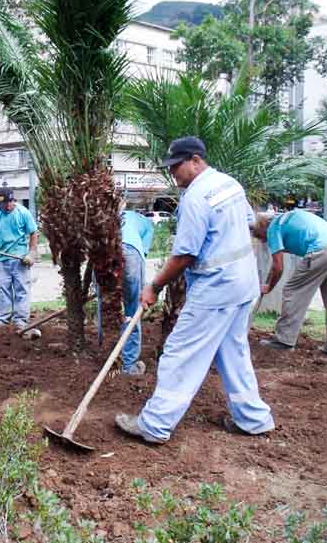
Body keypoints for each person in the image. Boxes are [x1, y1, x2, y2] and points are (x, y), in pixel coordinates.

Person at [115, 136, 274, 444]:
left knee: (179, 352)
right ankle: (253, 419)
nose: (173, 173)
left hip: (216, 288)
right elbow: (249, 225)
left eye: (176, 166)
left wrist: (155, 286)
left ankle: (155, 425)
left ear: (196, 160)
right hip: (244, 283)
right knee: (234, 351)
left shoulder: (196, 197)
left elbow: (185, 255)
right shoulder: (230, 185)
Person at [251, 209, 327, 355]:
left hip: (323, 248)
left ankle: (283, 340)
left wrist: (268, 287)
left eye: (262, 238)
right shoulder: (288, 218)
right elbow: (278, 262)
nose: (265, 241)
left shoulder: (273, 228)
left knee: (292, 291)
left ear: (263, 228)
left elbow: (278, 267)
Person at [0, 188, 39, 338]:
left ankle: (21, 322)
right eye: (0, 205)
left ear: (11, 201)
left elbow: (33, 233)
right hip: (1, 259)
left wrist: (31, 253)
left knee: (22, 290)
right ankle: (2, 323)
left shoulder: (23, 213)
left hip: (20, 259)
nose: (3, 208)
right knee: (2, 290)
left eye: (5, 204)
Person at [119, 199, 154, 375]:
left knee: (108, 306)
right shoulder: (144, 222)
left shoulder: (109, 218)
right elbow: (144, 251)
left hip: (105, 252)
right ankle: (129, 365)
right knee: (132, 309)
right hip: (131, 253)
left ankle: (106, 348)